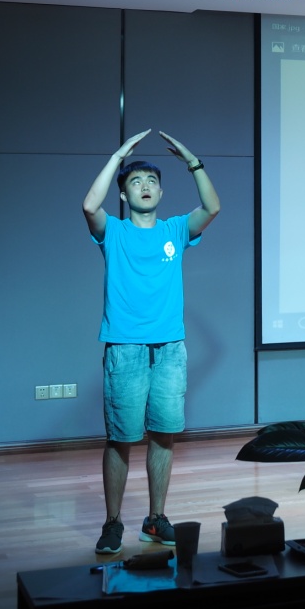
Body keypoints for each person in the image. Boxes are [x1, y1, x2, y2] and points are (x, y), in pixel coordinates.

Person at [83, 129, 220, 555]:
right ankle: (112, 523)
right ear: (124, 194)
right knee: (120, 438)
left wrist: (192, 161)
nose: (144, 186)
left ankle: (156, 519)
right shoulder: (114, 231)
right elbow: (89, 206)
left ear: (160, 191)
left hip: (170, 350)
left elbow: (212, 207)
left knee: (163, 435)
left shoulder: (175, 229)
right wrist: (119, 156)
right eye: (135, 181)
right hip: (125, 348)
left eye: (151, 181)